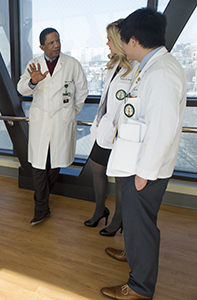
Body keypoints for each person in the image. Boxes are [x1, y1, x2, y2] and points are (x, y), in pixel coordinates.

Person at [101, 8, 186, 300]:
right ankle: (134, 253)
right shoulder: (148, 67)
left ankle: (139, 287)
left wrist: (144, 174)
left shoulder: (161, 73)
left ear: (134, 40)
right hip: (134, 163)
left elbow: (162, 129)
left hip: (145, 170)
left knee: (143, 227)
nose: (122, 46)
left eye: (123, 40)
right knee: (137, 226)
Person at [17, 28, 88, 225]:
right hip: (41, 122)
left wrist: (73, 111)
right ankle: (40, 208)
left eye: (58, 41)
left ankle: (42, 202)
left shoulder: (72, 64)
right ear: (42, 46)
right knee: (39, 165)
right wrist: (33, 81)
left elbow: (82, 90)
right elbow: (21, 88)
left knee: (54, 165)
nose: (56, 45)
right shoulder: (34, 64)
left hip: (62, 121)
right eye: (51, 43)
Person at [84, 20, 139, 236]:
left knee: (120, 176)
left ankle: (119, 218)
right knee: (97, 167)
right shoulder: (115, 64)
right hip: (105, 129)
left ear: (118, 39)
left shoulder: (135, 67)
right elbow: (106, 100)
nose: (107, 43)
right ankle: (100, 209)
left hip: (121, 133)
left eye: (109, 39)